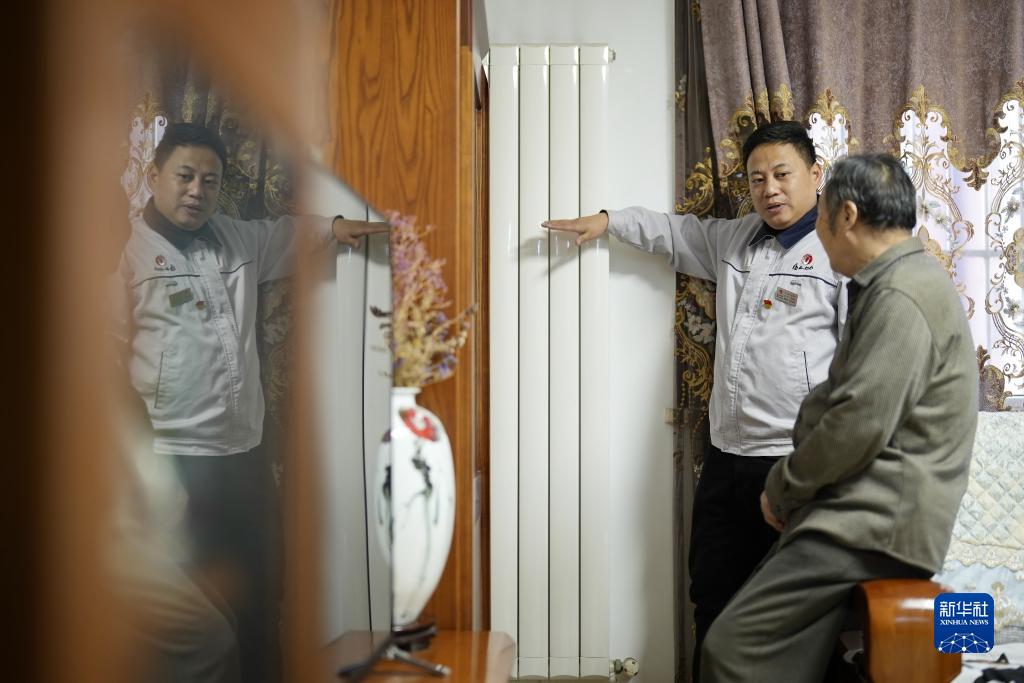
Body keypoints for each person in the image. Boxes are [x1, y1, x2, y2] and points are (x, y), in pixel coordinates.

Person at [543, 120, 846, 678]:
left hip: (794, 465)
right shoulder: (736, 238)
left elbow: (861, 364)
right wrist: (609, 221)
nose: (770, 189)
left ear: (815, 173)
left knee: (797, 618)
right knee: (711, 597)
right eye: (757, 179)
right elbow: (673, 232)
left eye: (782, 174)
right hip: (725, 457)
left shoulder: (840, 254)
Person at [117, 122, 387, 683]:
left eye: (210, 181)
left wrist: (335, 226)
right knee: (199, 614)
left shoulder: (235, 239)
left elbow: (287, 233)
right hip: (176, 462)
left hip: (245, 456)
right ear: (154, 175)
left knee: (262, 596)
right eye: (185, 176)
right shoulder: (125, 255)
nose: (197, 191)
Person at [700, 154, 978, 682]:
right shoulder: (893, 283)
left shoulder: (903, 294)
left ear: (846, 216)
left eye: (822, 219)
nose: (819, 238)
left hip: (872, 524)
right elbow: (839, 398)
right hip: (860, 516)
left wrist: (783, 488)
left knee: (732, 649)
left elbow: (856, 423)